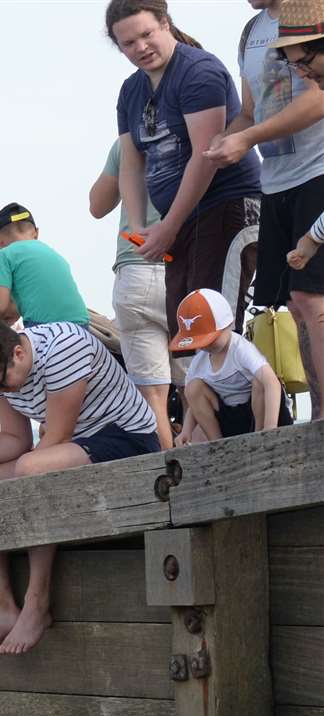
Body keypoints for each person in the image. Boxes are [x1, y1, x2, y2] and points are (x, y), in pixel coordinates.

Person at [0, 319, 161, 665]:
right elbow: (16, 440)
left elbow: (54, 440)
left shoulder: (63, 349)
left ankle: (37, 603)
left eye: (2, 384)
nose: (2, 393)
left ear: (18, 353)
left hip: (126, 438)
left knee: (30, 469)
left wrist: (12, 467)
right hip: (75, 446)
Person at [109, 0, 262, 346]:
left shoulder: (197, 71)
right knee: (187, 330)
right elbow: (131, 164)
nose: (141, 48)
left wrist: (169, 226)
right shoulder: (131, 91)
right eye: (128, 43)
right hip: (179, 221)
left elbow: (206, 155)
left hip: (226, 206)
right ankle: (202, 400)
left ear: (165, 23)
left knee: (215, 327)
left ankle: (250, 398)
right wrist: (138, 227)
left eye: (146, 34)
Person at [245, 0, 324, 409]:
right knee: (295, 303)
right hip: (277, 182)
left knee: (314, 300)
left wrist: (312, 236)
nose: (302, 73)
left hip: (315, 174)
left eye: (305, 61)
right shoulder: (252, 30)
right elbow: (247, 111)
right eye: (294, 65)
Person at [91, 138, 177, 447]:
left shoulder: (128, 142)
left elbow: (97, 205)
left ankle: (171, 474)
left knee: (153, 396)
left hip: (136, 268)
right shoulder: (195, 126)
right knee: (200, 384)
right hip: (185, 267)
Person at [173, 288, 293, 441]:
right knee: (193, 387)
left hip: (259, 411)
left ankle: (260, 435)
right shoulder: (199, 361)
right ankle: (218, 443)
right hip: (229, 416)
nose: (207, 346)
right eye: (201, 342)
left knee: (260, 381)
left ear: (228, 325)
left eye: (211, 339)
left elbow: (272, 383)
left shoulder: (239, 348)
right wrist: (186, 431)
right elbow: (193, 403)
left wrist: (271, 426)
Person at [0, 203, 89, 326]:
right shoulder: (55, 254)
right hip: (83, 328)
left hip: (47, 329)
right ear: (36, 233)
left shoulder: (3, 255)